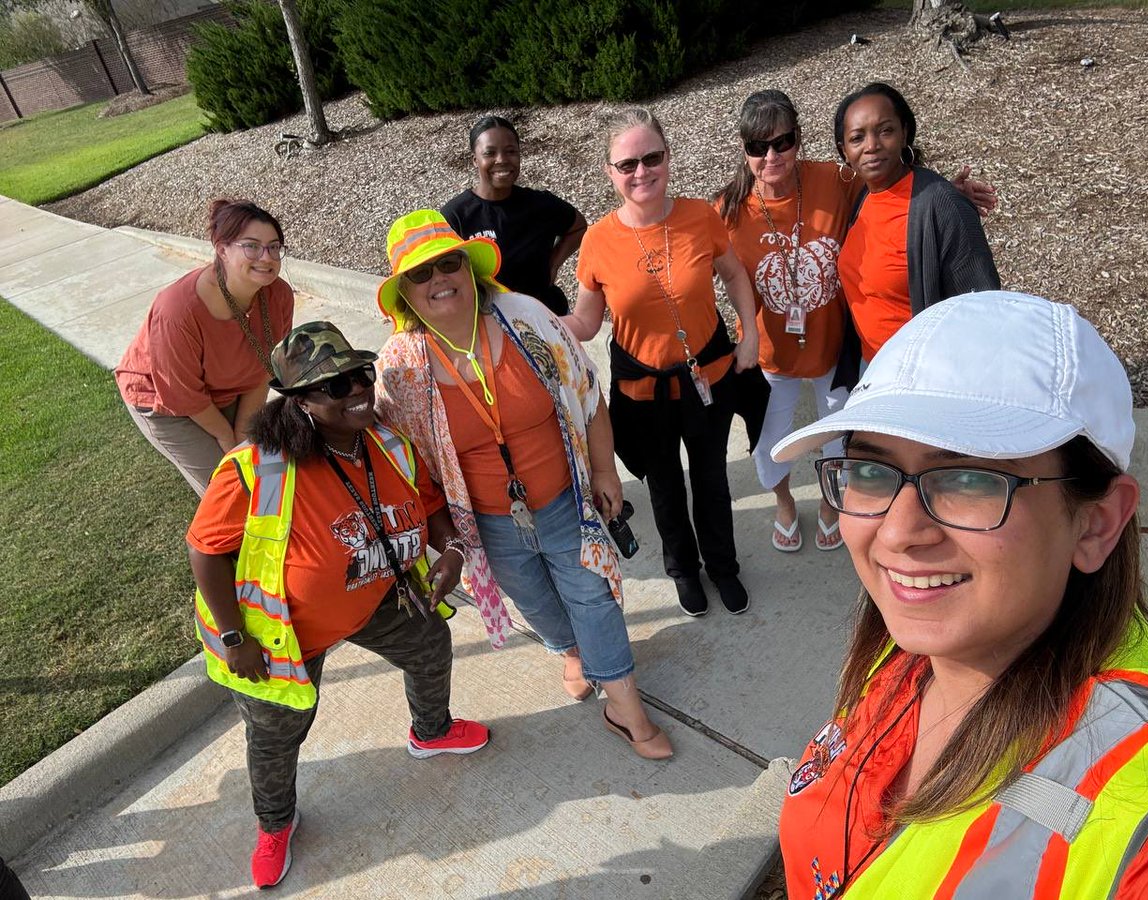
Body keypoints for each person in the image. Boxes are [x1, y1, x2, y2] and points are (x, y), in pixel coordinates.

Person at [771, 290, 1148, 898]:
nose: (896, 533)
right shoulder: (912, 642)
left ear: (1096, 522)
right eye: (870, 470)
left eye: (968, 479)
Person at [188, 321, 489, 889]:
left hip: (375, 595)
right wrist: (234, 638)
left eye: (360, 376)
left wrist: (449, 550)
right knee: (278, 733)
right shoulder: (258, 469)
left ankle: (431, 730)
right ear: (301, 402)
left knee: (431, 645)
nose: (356, 392)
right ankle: (275, 823)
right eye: (336, 386)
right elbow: (205, 552)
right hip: (281, 632)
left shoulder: (388, 442)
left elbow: (429, 505)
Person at [373, 210, 673, 760]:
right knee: (535, 600)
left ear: (470, 268)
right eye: (422, 274)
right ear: (405, 296)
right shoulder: (399, 368)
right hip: (488, 522)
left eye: (448, 263)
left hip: (564, 499)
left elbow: (586, 393)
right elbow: (407, 468)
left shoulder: (525, 317)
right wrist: (448, 541)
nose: (440, 280)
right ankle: (570, 650)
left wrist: (605, 471)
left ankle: (624, 708)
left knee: (593, 593)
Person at [715, 89, 998, 554]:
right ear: (744, 151)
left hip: (847, 352)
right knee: (769, 439)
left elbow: (901, 187)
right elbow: (687, 264)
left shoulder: (835, 182)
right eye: (757, 147)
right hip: (780, 354)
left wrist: (952, 198)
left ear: (799, 141)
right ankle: (785, 505)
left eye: (782, 142)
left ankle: (834, 505)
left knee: (843, 439)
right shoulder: (726, 211)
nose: (771, 156)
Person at [564, 106, 762, 618]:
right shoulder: (598, 241)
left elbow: (736, 275)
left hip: (707, 381)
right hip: (643, 394)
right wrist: (523, 318)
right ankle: (683, 570)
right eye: (627, 164)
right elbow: (585, 323)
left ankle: (723, 566)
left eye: (651, 158)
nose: (641, 172)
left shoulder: (700, 216)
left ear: (668, 159)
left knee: (712, 479)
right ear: (610, 173)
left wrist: (749, 333)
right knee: (665, 489)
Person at [116, 199, 296, 496]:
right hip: (164, 402)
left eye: (274, 247)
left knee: (264, 475)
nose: (266, 257)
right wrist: (227, 438)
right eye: (251, 246)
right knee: (230, 492)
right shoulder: (178, 310)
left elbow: (265, 369)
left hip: (228, 388)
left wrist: (243, 435)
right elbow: (181, 394)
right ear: (222, 249)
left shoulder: (279, 296)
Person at [834, 82, 1000, 371]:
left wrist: (945, 196)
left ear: (904, 134)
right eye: (857, 137)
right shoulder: (864, 197)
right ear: (844, 151)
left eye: (885, 131)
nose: (871, 146)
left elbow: (982, 308)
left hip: (922, 373)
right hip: (871, 365)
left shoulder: (943, 205)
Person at [441, 115, 588, 315]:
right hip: (490, 322)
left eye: (511, 151)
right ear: (475, 159)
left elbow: (578, 227)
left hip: (546, 315)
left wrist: (553, 264)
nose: (501, 160)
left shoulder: (540, 204)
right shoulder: (456, 216)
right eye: (489, 153)